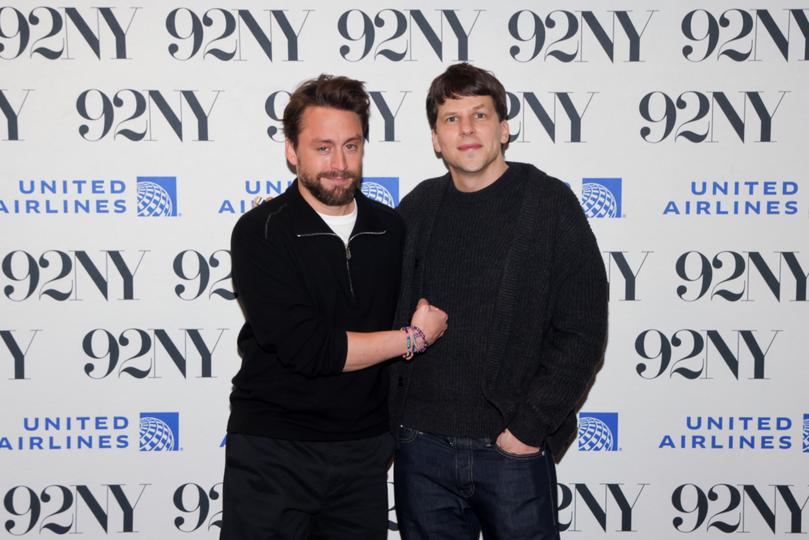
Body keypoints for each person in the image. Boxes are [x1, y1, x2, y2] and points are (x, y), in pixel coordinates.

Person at [220, 74, 448, 540]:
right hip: (273, 449)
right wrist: (413, 338)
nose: (340, 163)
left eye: (351, 145)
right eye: (323, 147)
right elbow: (310, 349)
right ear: (292, 151)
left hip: (363, 454)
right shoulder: (260, 232)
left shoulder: (392, 230)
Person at [390, 63, 608, 540]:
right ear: (435, 139)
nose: (466, 129)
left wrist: (528, 429)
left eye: (479, 115)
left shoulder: (549, 204)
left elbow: (583, 328)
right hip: (420, 449)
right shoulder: (417, 208)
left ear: (504, 129)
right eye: (451, 119)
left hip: (510, 450)